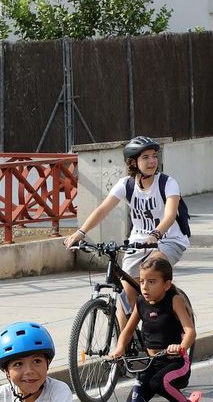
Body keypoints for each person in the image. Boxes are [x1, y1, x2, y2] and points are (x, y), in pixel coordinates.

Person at [64, 136, 190, 325]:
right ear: (133, 163)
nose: (152, 161)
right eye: (145, 157)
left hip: (168, 240)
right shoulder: (126, 184)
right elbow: (102, 209)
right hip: (136, 243)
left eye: (154, 156)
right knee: (126, 298)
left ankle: (174, 319)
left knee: (153, 273)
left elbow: (170, 215)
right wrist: (81, 232)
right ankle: (123, 347)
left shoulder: (167, 183)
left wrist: (155, 235)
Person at [109, 255, 197, 402]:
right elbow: (127, 331)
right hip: (153, 362)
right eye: (142, 281)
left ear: (166, 285)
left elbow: (190, 331)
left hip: (176, 363)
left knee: (159, 383)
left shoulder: (174, 300)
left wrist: (181, 347)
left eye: (152, 281)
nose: (145, 286)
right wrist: (119, 349)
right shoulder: (141, 303)